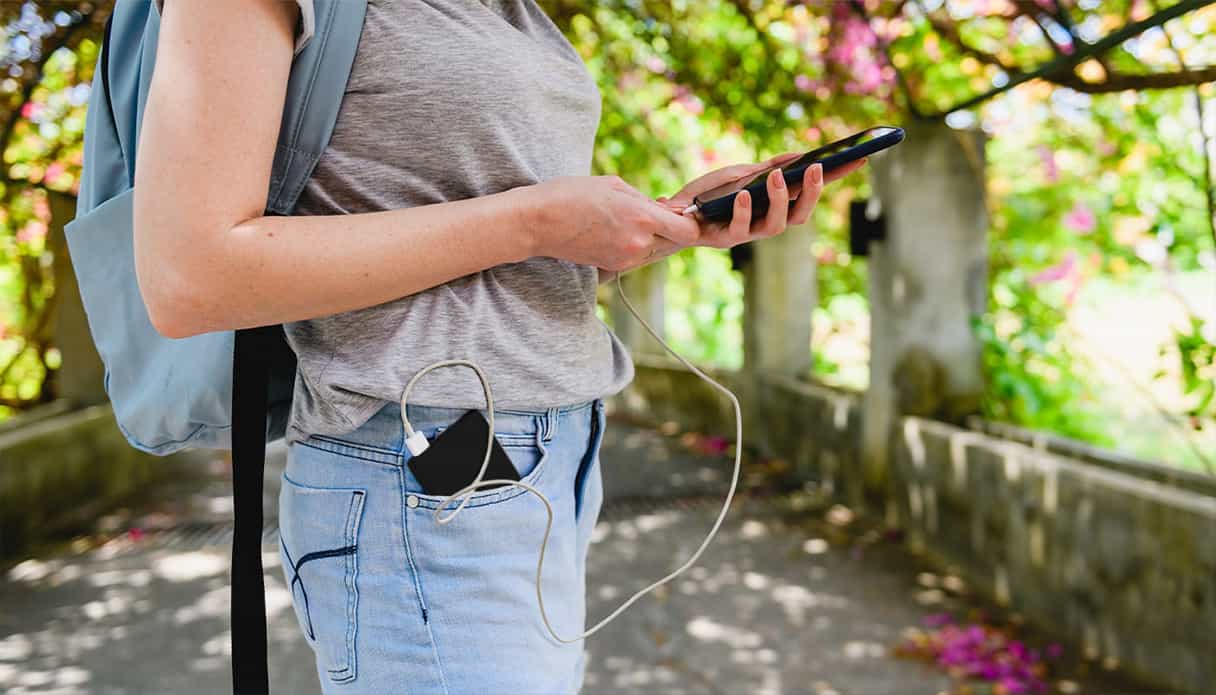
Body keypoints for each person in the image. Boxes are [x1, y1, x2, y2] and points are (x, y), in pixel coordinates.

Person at [135, 1, 863, 692]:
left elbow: (489, 250)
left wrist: (660, 224)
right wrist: (537, 221)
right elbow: (190, 276)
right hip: (419, 475)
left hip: (552, 461)